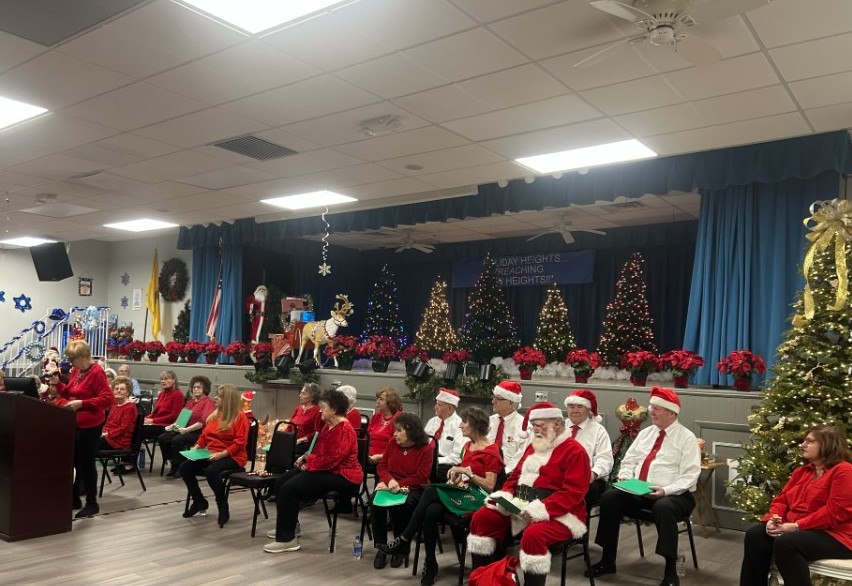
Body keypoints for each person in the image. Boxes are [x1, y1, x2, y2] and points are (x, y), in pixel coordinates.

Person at [467, 402, 590, 586]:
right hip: (523, 503)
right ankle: (484, 579)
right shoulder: (535, 446)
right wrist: (507, 496)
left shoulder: (575, 451)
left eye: (540, 425)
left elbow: (572, 493)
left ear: (557, 424)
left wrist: (537, 511)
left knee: (534, 534)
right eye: (533, 426)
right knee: (482, 518)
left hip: (563, 513)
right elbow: (516, 476)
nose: (536, 430)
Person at [589, 387, 700, 586]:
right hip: (640, 490)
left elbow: (690, 476)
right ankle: (607, 560)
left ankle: (670, 572)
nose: (651, 412)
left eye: (657, 409)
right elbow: (629, 460)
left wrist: (665, 491)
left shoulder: (687, 438)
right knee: (609, 498)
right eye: (652, 408)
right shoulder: (646, 434)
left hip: (675, 495)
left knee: (663, 507)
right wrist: (625, 477)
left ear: (671, 413)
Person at [379, 407, 503, 585]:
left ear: (475, 425)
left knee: (430, 490)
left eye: (464, 422)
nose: (460, 425)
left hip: (477, 500)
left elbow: (490, 485)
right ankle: (430, 563)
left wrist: (467, 473)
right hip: (462, 492)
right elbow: (463, 477)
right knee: (431, 511)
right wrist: (456, 478)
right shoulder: (468, 446)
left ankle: (404, 539)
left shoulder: (491, 451)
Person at [739, 425, 852, 586]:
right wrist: (773, 519)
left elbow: (834, 512)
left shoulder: (844, 471)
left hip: (837, 535)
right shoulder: (802, 471)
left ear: (827, 445)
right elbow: (782, 500)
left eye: (810, 441)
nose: (802, 445)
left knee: (787, 543)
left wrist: (797, 526)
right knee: (755, 535)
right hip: (800, 528)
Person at [263, 389, 363, 554]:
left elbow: (332, 460)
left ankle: (287, 540)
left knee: (289, 489)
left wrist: (309, 464)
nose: (320, 411)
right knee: (281, 482)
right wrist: (305, 459)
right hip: (327, 469)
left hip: (344, 476)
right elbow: (318, 451)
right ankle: (291, 527)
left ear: (334, 409)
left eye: (323, 408)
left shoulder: (344, 430)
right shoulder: (329, 426)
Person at [49, 339, 115, 519]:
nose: (71, 363)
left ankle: (92, 503)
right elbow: (70, 392)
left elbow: (107, 399)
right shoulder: (78, 371)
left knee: (86, 464)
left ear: (84, 357)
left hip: (90, 425)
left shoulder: (97, 373)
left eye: (73, 359)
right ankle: (74, 498)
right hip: (75, 423)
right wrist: (58, 383)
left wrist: (82, 403)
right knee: (74, 462)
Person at [179, 384, 249, 528]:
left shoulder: (240, 417)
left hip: (233, 456)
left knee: (212, 471)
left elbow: (239, 443)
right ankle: (199, 501)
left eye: (219, 396)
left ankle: (222, 505)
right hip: (211, 453)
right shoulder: (214, 415)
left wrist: (222, 454)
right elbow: (204, 435)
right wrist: (197, 446)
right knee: (185, 468)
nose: (215, 397)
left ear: (227, 400)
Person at [372, 412, 434, 570]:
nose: (395, 434)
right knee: (375, 502)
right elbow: (382, 466)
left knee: (401, 505)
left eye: (399, 430)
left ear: (411, 431)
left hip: (414, 486)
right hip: (391, 482)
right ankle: (381, 547)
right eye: (395, 430)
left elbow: (421, 477)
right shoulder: (392, 443)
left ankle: (401, 549)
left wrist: (397, 485)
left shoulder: (426, 448)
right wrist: (389, 481)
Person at [157, 375, 215, 478]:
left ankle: (180, 467)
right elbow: (181, 419)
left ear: (205, 389)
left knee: (177, 440)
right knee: (162, 438)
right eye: (194, 387)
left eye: (199, 387)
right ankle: (173, 462)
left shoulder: (208, 402)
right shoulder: (190, 402)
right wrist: (172, 426)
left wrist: (186, 430)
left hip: (199, 432)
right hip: (185, 429)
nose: (196, 389)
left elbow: (202, 423)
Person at [564, 389, 613, 511]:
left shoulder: (598, 431)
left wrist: (593, 473)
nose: (575, 410)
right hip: (561, 474)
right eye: (571, 406)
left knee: (586, 492)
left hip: (588, 478)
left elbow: (605, 459)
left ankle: (579, 523)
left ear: (588, 409)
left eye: (580, 407)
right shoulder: (559, 427)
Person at [423, 388, 466, 478]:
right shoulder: (432, 421)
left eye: (439, 405)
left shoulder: (459, 426)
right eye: (436, 403)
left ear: (449, 408)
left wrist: (435, 460)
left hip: (445, 464)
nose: (435, 407)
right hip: (427, 458)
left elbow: (457, 457)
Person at [488, 381, 526, 474]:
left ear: (511, 402)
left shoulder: (523, 427)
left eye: (498, 398)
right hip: (484, 472)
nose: (493, 402)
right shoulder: (488, 421)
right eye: (494, 397)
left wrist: (502, 474)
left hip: (508, 475)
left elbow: (520, 457)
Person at [141, 370, 184, 444]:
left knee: (139, 430)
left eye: (166, 379)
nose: (163, 381)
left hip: (166, 425)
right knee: (136, 426)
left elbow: (174, 416)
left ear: (173, 380)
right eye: (162, 379)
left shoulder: (178, 395)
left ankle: (133, 450)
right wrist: (145, 419)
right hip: (156, 423)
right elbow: (154, 413)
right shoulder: (161, 394)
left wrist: (153, 421)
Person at [98, 376, 137, 451]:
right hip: (108, 436)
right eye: (116, 389)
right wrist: (102, 432)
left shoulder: (130, 407)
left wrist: (107, 434)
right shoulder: (115, 405)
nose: (118, 391)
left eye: (122, 389)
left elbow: (123, 428)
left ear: (128, 392)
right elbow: (108, 424)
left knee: (89, 443)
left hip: (118, 442)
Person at [368, 387, 404, 464]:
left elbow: (399, 445)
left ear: (391, 402)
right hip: (369, 456)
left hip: (387, 458)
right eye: (377, 398)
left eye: (381, 399)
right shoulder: (377, 416)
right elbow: (367, 436)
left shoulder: (399, 417)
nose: (377, 401)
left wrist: (382, 456)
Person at [284, 383, 322, 455]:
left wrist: (302, 439)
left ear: (312, 397)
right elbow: (289, 426)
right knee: (274, 447)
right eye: (301, 393)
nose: (300, 395)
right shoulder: (298, 408)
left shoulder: (318, 411)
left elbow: (317, 432)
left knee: (283, 451)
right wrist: (283, 437)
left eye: (304, 394)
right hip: (292, 441)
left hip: (305, 445)